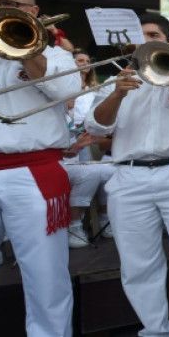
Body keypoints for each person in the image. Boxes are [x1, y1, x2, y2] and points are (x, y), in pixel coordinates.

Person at [86, 13, 169, 336]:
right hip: (129, 177)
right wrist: (117, 94)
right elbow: (95, 126)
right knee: (137, 261)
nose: (145, 41)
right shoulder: (117, 80)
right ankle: (154, 327)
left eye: (153, 34)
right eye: (140, 35)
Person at [0, 0, 78, 337]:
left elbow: (65, 90)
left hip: (31, 173)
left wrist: (27, 45)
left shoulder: (58, 55)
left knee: (45, 276)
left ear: (32, 13)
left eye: (6, 3)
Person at [63, 48, 115, 248]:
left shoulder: (92, 90)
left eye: (87, 60)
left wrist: (80, 144)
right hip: (57, 162)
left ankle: (103, 218)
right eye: (79, 61)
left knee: (108, 169)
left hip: (76, 151)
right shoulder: (52, 112)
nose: (72, 100)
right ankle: (74, 225)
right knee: (91, 173)